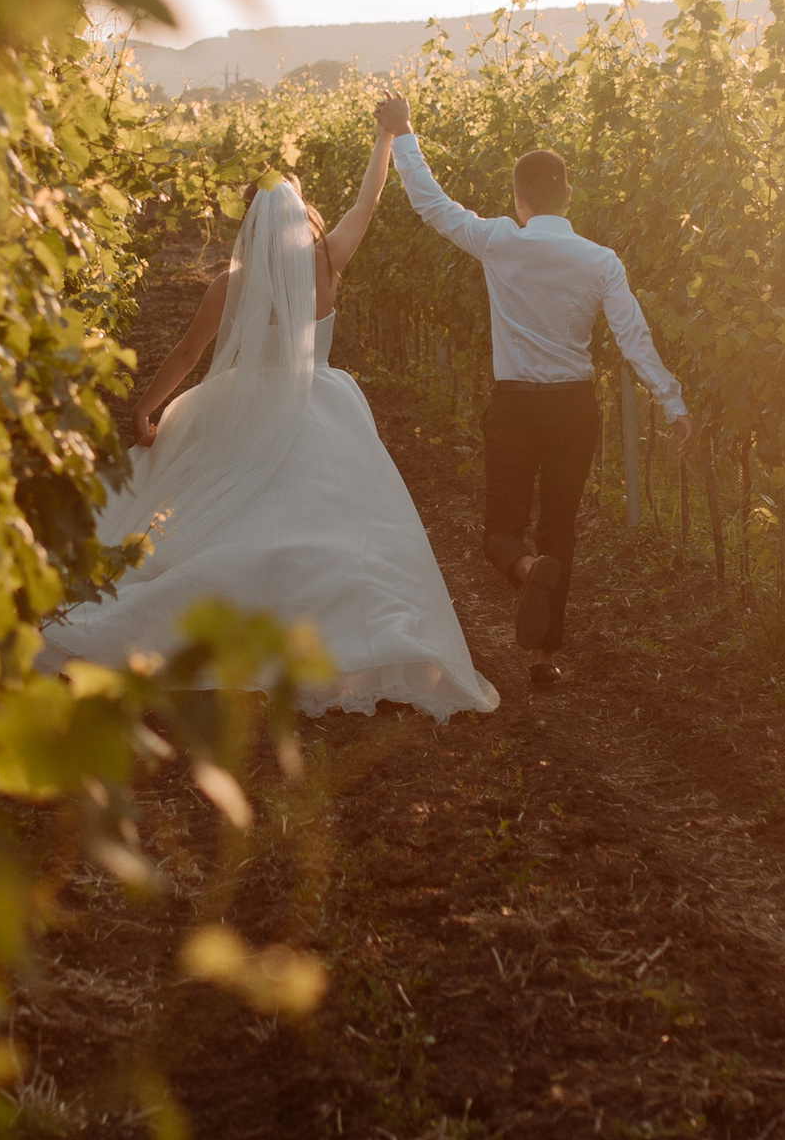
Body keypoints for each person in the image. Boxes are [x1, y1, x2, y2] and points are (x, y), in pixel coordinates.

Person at [40, 103, 497, 721]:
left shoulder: (230, 285)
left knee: (221, 516)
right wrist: (385, 139)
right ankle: (352, 637)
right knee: (345, 528)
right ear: (302, 218)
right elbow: (368, 203)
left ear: (252, 227)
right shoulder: (327, 262)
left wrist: (147, 410)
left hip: (241, 402)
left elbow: (188, 353)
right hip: (321, 402)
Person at [376, 96, 690, 686]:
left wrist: (406, 135)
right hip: (575, 409)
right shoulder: (601, 261)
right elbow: (632, 336)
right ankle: (544, 658)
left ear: (519, 199)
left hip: (516, 404)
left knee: (501, 530)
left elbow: (432, 206)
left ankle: (524, 572)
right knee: (560, 528)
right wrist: (671, 402)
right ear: (567, 197)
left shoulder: (499, 240)